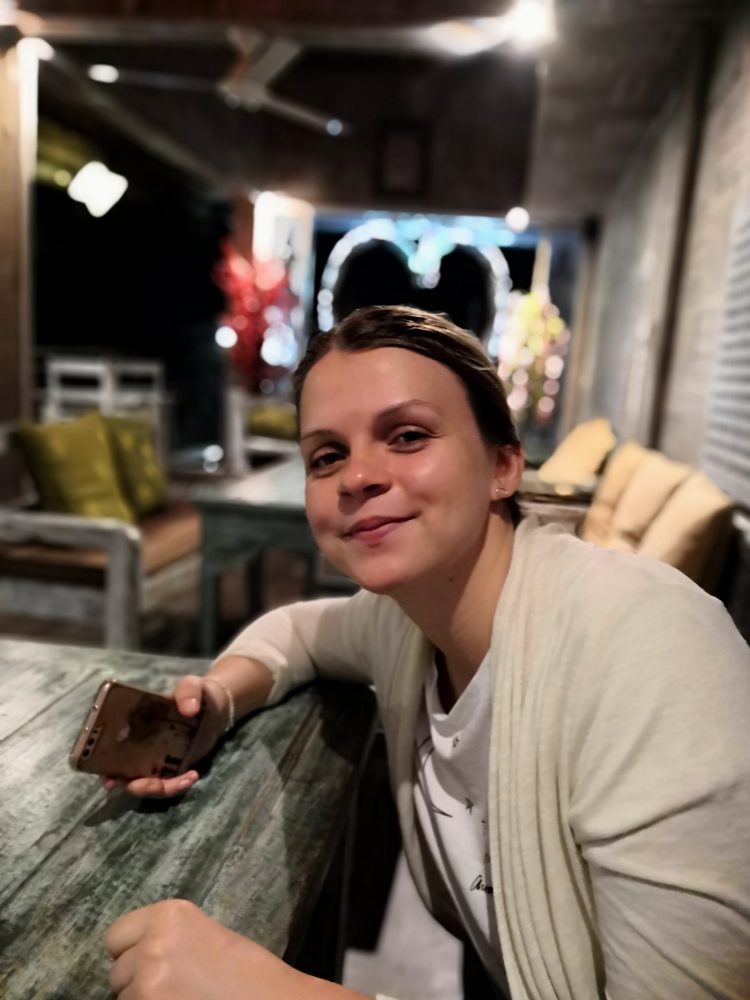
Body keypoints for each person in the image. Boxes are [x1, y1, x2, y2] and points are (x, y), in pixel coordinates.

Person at [104, 305, 750, 1000]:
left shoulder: (650, 650)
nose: (357, 476)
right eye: (327, 455)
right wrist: (218, 702)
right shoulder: (404, 624)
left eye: (407, 436)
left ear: (503, 464)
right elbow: (297, 634)